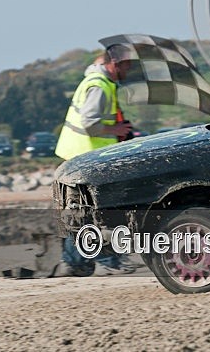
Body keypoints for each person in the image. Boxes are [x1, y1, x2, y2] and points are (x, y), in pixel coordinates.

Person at [54, 44, 137, 276]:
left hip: (82, 158)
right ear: (116, 63)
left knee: (85, 212)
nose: (129, 71)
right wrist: (116, 129)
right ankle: (105, 262)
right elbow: (90, 124)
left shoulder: (101, 83)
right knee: (97, 211)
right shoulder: (99, 86)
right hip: (84, 159)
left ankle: (75, 263)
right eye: (127, 65)